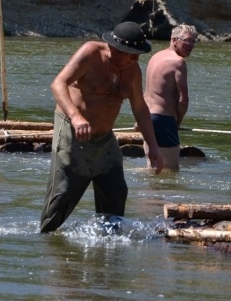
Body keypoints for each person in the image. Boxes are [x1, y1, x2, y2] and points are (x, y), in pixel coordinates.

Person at [40, 22, 164, 233]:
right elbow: (58, 84)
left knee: (116, 189)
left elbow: (140, 109)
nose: (135, 60)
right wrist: (76, 117)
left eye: (137, 55)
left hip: (105, 137)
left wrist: (153, 146)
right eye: (130, 54)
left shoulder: (132, 69)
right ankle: (47, 238)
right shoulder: (90, 53)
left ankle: (109, 244)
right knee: (63, 193)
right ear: (114, 48)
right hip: (72, 129)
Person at [142, 24, 197, 170]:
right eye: (186, 40)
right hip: (163, 120)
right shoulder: (178, 62)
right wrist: (178, 121)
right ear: (174, 40)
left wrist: (140, 119)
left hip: (146, 117)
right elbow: (183, 100)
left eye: (193, 41)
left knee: (153, 169)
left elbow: (147, 93)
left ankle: (144, 194)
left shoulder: (155, 57)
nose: (191, 45)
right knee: (170, 172)